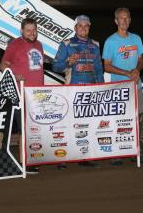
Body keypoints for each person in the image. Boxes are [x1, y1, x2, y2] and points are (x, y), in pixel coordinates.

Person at [52, 14, 104, 169]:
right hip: (71, 90)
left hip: (90, 91)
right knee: (67, 125)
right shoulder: (67, 44)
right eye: (80, 26)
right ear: (75, 28)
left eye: (86, 26)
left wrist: (101, 88)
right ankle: (62, 158)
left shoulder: (95, 45)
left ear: (89, 27)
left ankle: (84, 156)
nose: (83, 28)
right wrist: (68, 62)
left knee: (86, 125)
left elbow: (99, 69)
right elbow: (55, 67)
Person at [102, 7, 143, 164]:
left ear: (130, 20)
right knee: (118, 120)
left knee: (137, 119)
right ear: (116, 21)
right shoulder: (110, 41)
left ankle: (135, 151)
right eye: (121, 18)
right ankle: (116, 153)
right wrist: (127, 73)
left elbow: (141, 60)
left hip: (135, 86)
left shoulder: (136, 38)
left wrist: (137, 70)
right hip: (118, 88)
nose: (124, 21)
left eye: (127, 18)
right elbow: (107, 66)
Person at [0, 18, 44, 174]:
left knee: (34, 129)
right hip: (21, 93)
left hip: (38, 95)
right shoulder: (15, 45)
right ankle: (22, 162)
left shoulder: (39, 45)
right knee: (24, 128)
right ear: (22, 31)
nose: (32, 33)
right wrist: (14, 74)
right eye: (28, 30)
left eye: (34, 30)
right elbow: (2, 65)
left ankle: (30, 158)